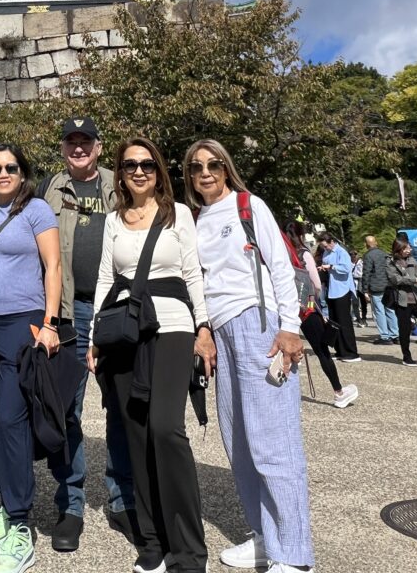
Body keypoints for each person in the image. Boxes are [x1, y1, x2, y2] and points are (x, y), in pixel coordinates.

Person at [184, 139, 315, 573]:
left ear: (226, 167)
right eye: (197, 166)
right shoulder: (197, 220)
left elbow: (279, 265)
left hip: (259, 323)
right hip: (222, 331)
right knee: (238, 441)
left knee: (272, 442)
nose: (205, 172)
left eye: (214, 164)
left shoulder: (248, 204)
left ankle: (294, 555)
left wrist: (290, 328)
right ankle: (264, 536)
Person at [88, 136, 211, 573]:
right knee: (136, 435)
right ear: (119, 172)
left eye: (147, 164)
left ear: (159, 171)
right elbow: (106, 277)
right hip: (124, 334)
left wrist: (203, 327)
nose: (138, 171)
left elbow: (193, 273)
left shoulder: (177, 214)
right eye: (129, 165)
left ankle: (190, 550)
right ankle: (152, 541)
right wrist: (93, 337)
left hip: (173, 327)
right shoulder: (114, 220)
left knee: (165, 430)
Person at [38, 116, 135, 550]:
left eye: (86, 141)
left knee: (121, 402)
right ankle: (71, 503)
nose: (79, 148)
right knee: (67, 408)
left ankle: (122, 499)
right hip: (68, 311)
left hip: (115, 307)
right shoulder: (48, 188)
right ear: (63, 148)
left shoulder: (123, 183)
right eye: (71, 141)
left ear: (99, 147)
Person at [0, 143, 61, 573]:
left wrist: (50, 322)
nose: (3, 173)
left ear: (23, 172)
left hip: (22, 324)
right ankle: (5, 509)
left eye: (11, 167)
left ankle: (21, 523)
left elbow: (54, 267)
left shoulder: (37, 210)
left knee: (12, 418)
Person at [283, 223, 358, 409]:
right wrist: (315, 303)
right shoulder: (303, 253)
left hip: (283, 307)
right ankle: (338, 392)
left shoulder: (278, 252)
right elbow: (316, 284)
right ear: (300, 235)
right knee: (321, 350)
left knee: (285, 351)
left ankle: (286, 395)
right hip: (306, 307)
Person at [317, 233, 360, 362]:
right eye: (323, 246)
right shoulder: (326, 253)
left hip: (342, 290)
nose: (325, 248)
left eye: (325, 245)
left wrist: (331, 267)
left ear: (331, 242)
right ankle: (340, 349)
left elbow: (347, 268)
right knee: (334, 321)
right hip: (331, 289)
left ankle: (351, 352)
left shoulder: (342, 252)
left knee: (344, 321)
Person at [385, 239, 417, 366]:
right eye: (406, 248)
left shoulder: (412, 260)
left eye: (409, 248)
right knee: (404, 329)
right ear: (398, 249)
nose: (409, 250)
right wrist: (415, 280)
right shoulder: (390, 262)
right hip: (402, 301)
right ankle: (406, 357)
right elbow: (395, 280)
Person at [361, 235, 398, 344]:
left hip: (376, 287)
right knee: (390, 310)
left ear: (366, 244)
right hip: (388, 286)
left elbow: (366, 273)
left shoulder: (368, 256)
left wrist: (364, 290)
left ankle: (385, 336)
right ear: (376, 242)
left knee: (379, 311)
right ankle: (395, 334)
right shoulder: (384, 254)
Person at [350, 250, 367, 327]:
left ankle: (364, 319)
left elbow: (364, 273)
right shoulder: (349, 263)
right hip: (353, 283)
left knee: (363, 302)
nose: (353, 255)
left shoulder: (362, 262)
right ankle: (359, 319)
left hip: (361, 283)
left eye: (355, 254)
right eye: (351, 254)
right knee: (355, 303)